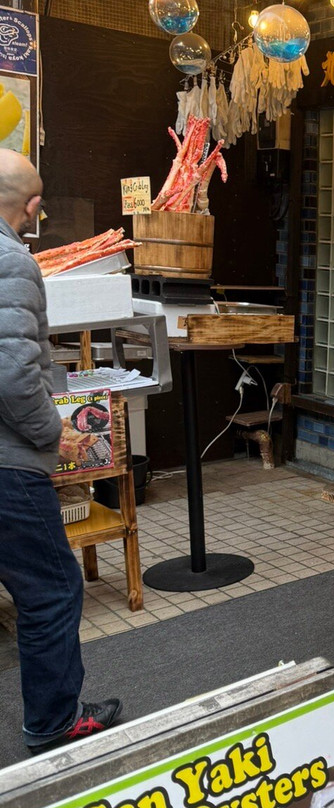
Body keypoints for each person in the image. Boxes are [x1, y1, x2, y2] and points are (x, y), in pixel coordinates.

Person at [0, 150, 121, 754]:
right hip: (7, 466)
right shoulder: (12, 262)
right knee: (52, 590)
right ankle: (53, 724)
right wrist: (53, 430)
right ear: (29, 204)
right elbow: (14, 374)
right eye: (39, 196)